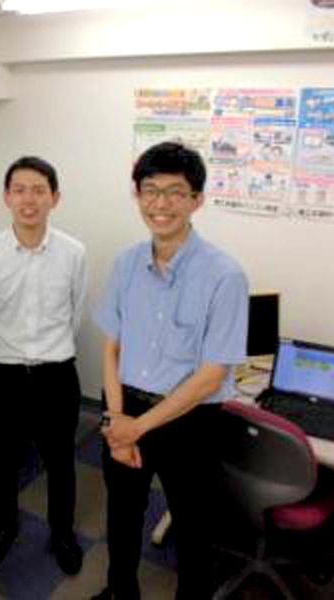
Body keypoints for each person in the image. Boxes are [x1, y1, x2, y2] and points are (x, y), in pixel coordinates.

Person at [91, 142, 248, 600]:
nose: (161, 203)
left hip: (190, 420)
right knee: (122, 515)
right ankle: (121, 592)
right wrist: (116, 422)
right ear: (137, 195)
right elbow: (111, 347)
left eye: (175, 192)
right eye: (150, 190)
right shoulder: (125, 263)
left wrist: (135, 429)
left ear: (197, 200)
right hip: (125, 406)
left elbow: (211, 376)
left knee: (194, 527)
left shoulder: (225, 276)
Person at [0, 156, 88, 576]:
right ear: (6, 197)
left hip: (57, 373)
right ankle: (2, 528)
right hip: (5, 375)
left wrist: (48, 351)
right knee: (3, 460)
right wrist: (8, 355)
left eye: (38, 190)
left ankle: (62, 533)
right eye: (19, 190)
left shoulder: (74, 253)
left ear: (55, 198)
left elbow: (75, 314)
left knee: (61, 461)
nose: (28, 200)